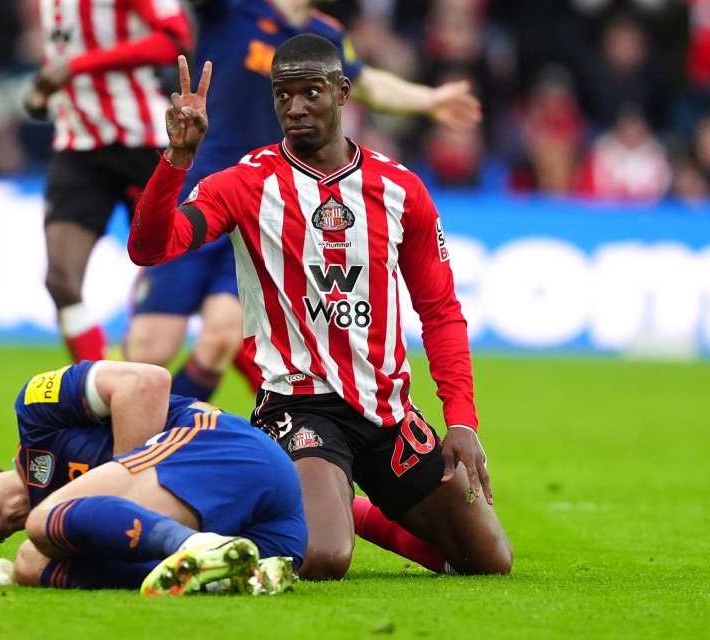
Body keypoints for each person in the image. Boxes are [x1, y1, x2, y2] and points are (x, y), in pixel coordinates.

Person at [128, 36, 513, 580]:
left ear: (342, 92)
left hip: (387, 411)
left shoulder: (401, 190)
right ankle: (255, 514)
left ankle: (338, 507)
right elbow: (150, 247)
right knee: (325, 556)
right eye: (283, 95)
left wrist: (461, 421)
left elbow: (441, 312)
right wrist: (177, 160)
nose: (295, 107)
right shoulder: (246, 183)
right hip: (299, 405)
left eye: (311, 92)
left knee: (490, 560)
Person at [124, 0, 482, 406]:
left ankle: (161, 435)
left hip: (264, 211)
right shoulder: (231, 8)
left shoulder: (325, 34)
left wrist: (430, 100)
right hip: (205, 197)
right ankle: (128, 424)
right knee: (149, 350)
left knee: (222, 337)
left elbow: (367, 85)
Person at [0, 359, 307, 595]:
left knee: (41, 529)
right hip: (270, 528)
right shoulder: (62, 534)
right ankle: (225, 573)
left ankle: (199, 548)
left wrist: (127, 478)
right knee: (32, 562)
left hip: (225, 448)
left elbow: (146, 382)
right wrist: (13, 575)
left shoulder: (35, 412)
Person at [23, 0, 191, 363]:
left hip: (142, 140)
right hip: (78, 143)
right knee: (60, 280)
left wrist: (75, 67)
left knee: (176, 275)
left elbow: (175, 40)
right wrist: (45, 89)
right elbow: (67, 43)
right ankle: (102, 382)